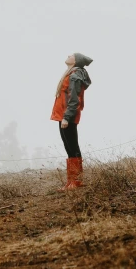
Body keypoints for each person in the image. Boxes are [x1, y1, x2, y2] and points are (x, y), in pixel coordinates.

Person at [50, 53, 92, 191]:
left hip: (67, 115)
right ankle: (72, 181)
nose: (68, 56)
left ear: (76, 61)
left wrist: (67, 117)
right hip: (62, 115)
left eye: (71, 55)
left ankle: (77, 181)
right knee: (69, 147)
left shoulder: (75, 75)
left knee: (72, 146)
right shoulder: (71, 74)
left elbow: (74, 99)